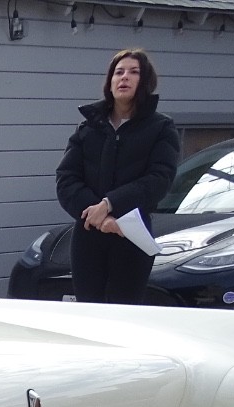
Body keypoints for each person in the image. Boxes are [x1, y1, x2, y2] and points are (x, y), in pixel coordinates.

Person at [55, 48, 181, 303]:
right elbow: (66, 179)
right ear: (109, 81)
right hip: (88, 238)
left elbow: (159, 179)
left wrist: (110, 204)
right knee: (89, 317)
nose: (124, 77)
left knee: (123, 317)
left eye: (133, 72)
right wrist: (100, 218)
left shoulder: (161, 128)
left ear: (144, 82)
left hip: (131, 239)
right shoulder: (88, 128)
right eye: (118, 72)